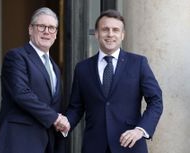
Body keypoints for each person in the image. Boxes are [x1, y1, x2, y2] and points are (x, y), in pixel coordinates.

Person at [64, 9, 163, 153]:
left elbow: (156, 100)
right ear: (96, 34)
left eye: (115, 30)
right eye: (105, 29)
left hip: (130, 145)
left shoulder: (138, 63)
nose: (110, 34)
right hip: (94, 146)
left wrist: (140, 130)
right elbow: (76, 107)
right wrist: (64, 124)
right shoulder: (82, 68)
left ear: (122, 35)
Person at [0, 7, 69, 153]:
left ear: (56, 34)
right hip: (18, 143)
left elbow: (55, 104)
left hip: (46, 144)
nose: (47, 31)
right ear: (30, 29)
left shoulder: (55, 68)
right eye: (41, 26)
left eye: (52, 28)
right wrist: (55, 118)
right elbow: (21, 94)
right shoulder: (16, 57)